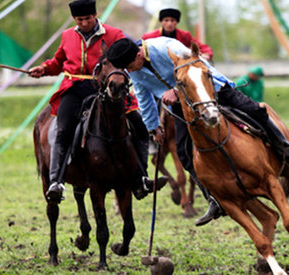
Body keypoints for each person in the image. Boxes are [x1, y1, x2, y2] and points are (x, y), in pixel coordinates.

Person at [106, 37, 289, 226]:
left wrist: (176, 91)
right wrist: (153, 128)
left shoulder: (167, 47)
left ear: (138, 54)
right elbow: (144, 98)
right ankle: (214, 199)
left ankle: (285, 148)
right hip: (184, 107)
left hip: (211, 90)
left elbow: (196, 68)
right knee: (184, 153)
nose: (131, 71)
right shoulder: (133, 70)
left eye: (130, 66)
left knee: (256, 111)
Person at [29, 0, 166, 203]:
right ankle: (56, 181)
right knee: (63, 129)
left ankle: (141, 178)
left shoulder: (113, 34)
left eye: (87, 18)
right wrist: (45, 68)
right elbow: (58, 62)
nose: (84, 23)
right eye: (79, 20)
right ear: (75, 19)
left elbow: (129, 53)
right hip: (75, 89)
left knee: (138, 124)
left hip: (107, 90)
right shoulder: (67, 36)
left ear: (95, 15)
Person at [142, 8, 213, 61]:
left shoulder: (184, 35)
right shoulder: (149, 37)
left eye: (172, 20)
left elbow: (201, 46)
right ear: (162, 22)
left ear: (176, 22)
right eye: (166, 20)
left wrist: (206, 55)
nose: (169, 24)